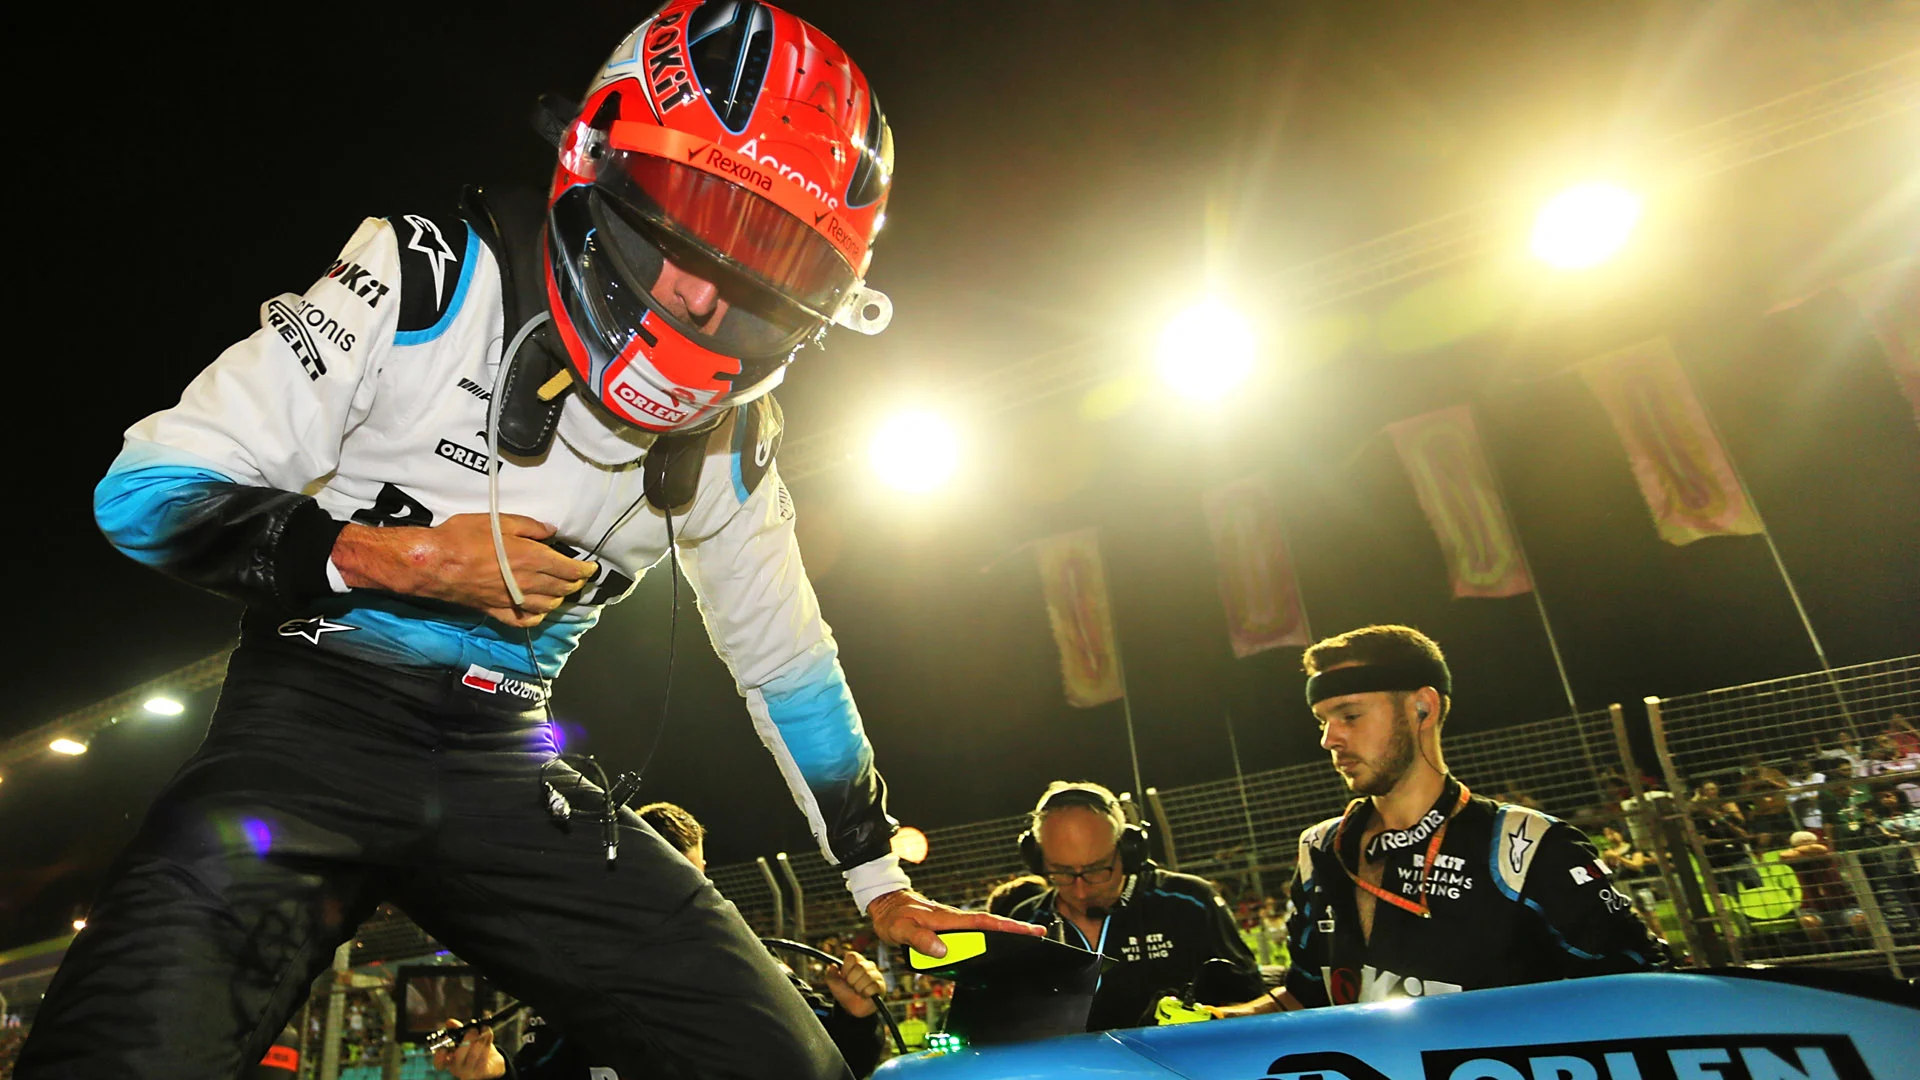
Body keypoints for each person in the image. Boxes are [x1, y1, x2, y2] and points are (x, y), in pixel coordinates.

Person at [18, 6, 1038, 1077]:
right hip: (305, 732)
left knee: (786, 1065)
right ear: (594, 158)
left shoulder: (735, 436)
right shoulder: (423, 279)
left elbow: (785, 660)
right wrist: (386, 557)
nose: (703, 297)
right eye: (697, 218)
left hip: (509, 765)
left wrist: (877, 877)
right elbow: (143, 491)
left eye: (766, 262)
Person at [1211, 625, 1667, 1016]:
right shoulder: (1320, 847)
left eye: (1349, 715)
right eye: (1322, 721)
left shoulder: (1525, 844)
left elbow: (1645, 990)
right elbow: (1308, 995)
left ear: (1422, 708)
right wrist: (1204, 1025)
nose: (1330, 739)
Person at [433, 803, 890, 1079]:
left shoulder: (750, 962)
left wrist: (856, 1016)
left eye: (698, 878)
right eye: (682, 881)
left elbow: (840, 1063)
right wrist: (493, 1072)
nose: (696, 895)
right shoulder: (577, 972)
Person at [1008, 782, 1262, 1031]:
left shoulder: (1189, 902)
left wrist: (1211, 1016)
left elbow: (1255, 1001)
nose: (1081, 890)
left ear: (1129, 852)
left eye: (1097, 869)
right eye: (1061, 872)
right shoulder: (1024, 923)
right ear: (1037, 859)